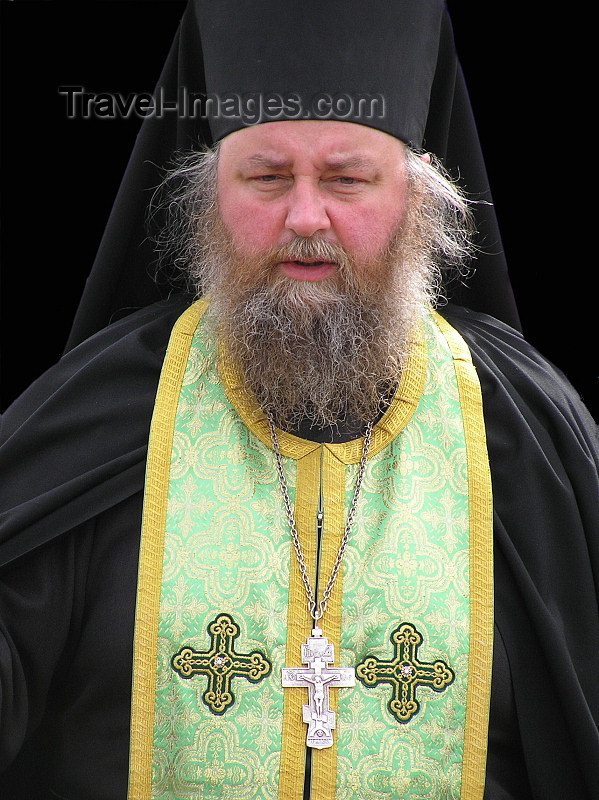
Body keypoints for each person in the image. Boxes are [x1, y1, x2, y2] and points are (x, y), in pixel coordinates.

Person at [1, 2, 598, 799]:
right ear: (207, 194)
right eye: (267, 177)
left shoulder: (523, 431)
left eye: (347, 179)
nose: (305, 216)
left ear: (418, 196)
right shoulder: (99, 416)